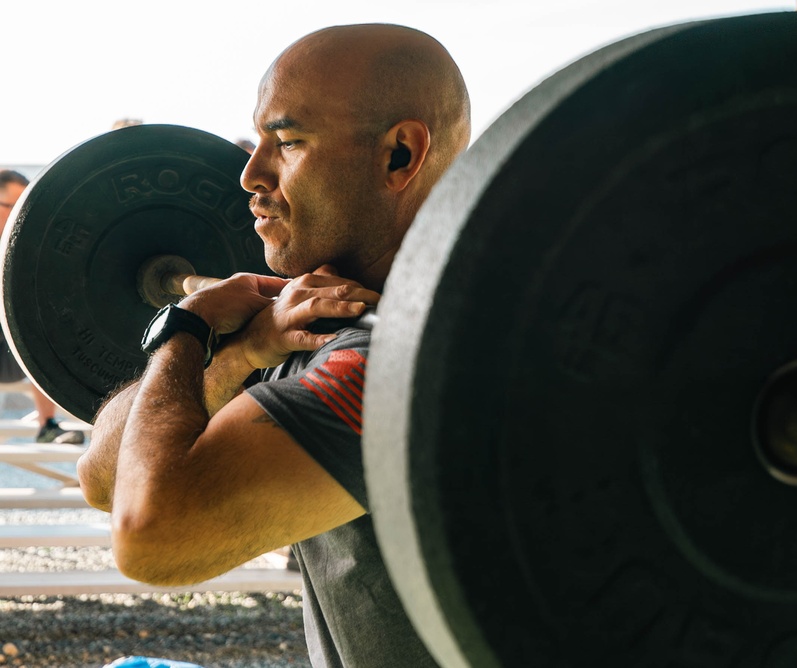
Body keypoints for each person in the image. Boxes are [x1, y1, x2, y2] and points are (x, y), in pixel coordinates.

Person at [77, 23, 471, 667]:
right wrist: (237, 355)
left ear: (400, 154)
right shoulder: (312, 321)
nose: (250, 175)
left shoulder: (403, 360)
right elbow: (101, 478)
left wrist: (185, 331)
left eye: (286, 142)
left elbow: (148, 536)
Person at [0, 170, 86, 444]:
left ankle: (47, 424)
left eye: (24, 207)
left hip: (19, 347)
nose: (19, 215)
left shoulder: (32, 246)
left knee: (42, 323)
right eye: (12, 207)